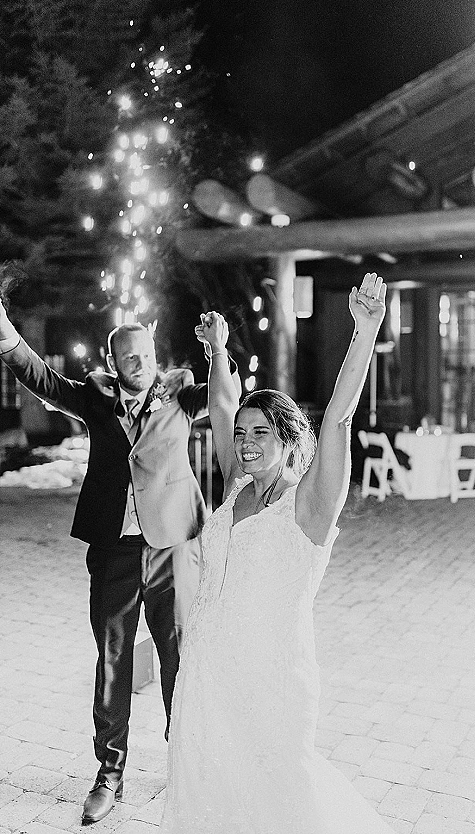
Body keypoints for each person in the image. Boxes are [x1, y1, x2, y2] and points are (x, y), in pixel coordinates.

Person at [161, 272, 395, 833]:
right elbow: (223, 405)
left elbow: (338, 417)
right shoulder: (237, 485)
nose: (244, 443)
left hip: (270, 678)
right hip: (207, 672)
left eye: (260, 433)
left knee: (276, 798)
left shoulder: (308, 505)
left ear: (288, 440)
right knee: (209, 797)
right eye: (242, 434)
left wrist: (364, 332)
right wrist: (218, 351)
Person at [0, 301, 239, 824]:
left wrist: (219, 351)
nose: (141, 364)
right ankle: (110, 774)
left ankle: (185, 759)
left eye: (147, 355)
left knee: (180, 655)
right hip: (114, 549)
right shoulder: (95, 397)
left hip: (174, 546)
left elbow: (226, 399)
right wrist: (6, 333)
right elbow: (43, 380)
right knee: (112, 661)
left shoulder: (180, 392)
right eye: (130, 358)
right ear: (113, 362)